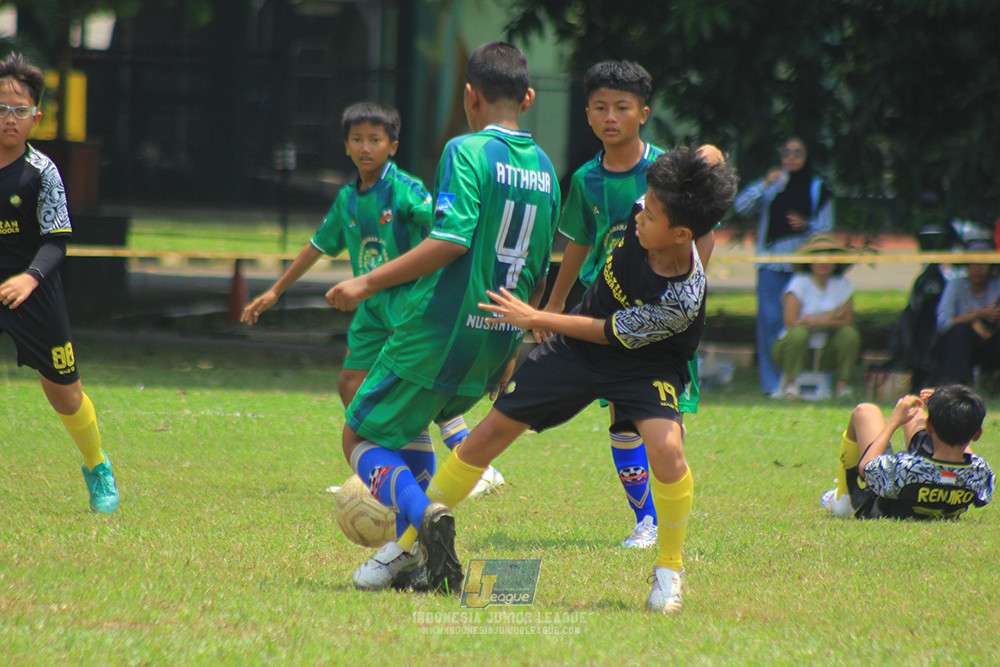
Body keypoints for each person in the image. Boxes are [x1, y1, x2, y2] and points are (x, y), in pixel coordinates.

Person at [416, 145, 738, 614]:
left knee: (667, 448)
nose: (639, 216)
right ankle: (409, 542)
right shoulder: (647, 211)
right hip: (579, 350)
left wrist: (537, 316)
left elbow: (607, 333)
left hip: (646, 362)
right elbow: (703, 159)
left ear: (681, 234)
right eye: (644, 206)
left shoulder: (683, 296)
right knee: (490, 432)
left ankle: (669, 568)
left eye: (651, 215)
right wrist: (704, 160)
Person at [325, 42, 561, 593]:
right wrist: (520, 337)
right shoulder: (546, 168)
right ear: (526, 98)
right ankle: (407, 557)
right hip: (498, 336)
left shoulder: (466, 149)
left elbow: (451, 240)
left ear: (469, 95)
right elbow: (541, 262)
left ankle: (425, 514)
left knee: (358, 436)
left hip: (441, 328)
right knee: (410, 430)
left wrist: (365, 280)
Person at [240, 101, 501, 507]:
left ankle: (476, 467)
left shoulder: (405, 189)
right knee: (350, 383)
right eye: (357, 139)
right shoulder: (347, 199)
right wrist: (276, 290)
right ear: (345, 146)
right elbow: (316, 246)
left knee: (417, 385)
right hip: (370, 306)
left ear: (392, 146)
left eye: (375, 140)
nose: (366, 148)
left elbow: (443, 225)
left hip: (408, 299)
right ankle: (385, 466)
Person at [540, 60, 716, 550]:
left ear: (643, 112)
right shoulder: (585, 180)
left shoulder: (666, 173)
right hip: (608, 310)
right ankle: (647, 519)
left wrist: (687, 291)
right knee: (620, 411)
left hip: (662, 313)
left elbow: (703, 234)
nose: (610, 116)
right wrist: (557, 306)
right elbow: (579, 243)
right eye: (599, 107)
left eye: (621, 107)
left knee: (662, 421)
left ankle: (670, 508)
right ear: (588, 115)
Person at [0, 53, 119, 513]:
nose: (9, 120)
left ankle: (97, 466)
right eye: (1, 109)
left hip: (34, 285)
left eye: (19, 111)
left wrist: (28, 279)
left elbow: (56, 242)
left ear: (36, 117)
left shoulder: (42, 172)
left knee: (65, 394)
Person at [734, 137, 834, 395]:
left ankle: (796, 380)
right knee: (769, 324)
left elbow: (827, 230)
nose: (791, 157)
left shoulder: (817, 188)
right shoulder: (773, 183)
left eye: (798, 152)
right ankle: (772, 384)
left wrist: (806, 225)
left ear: (807, 156)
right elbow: (740, 207)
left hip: (802, 269)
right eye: (786, 152)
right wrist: (764, 184)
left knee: (798, 325)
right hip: (770, 264)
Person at [821, 385, 993, 520]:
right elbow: (970, 457)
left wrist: (894, 422)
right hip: (934, 487)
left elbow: (866, 467)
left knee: (865, 411)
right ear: (977, 434)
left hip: (879, 506)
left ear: (929, 427)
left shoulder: (906, 467)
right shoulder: (981, 472)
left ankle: (844, 498)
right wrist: (943, 406)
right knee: (917, 411)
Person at [771, 234, 860, 399]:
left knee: (849, 334)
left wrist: (820, 322)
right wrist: (832, 318)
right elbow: (791, 321)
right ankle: (790, 385)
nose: (823, 262)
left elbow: (847, 320)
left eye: (828, 257)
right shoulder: (799, 282)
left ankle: (842, 386)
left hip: (826, 350)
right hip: (794, 350)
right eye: (818, 257)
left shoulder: (842, 284)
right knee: (798, 333)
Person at [929, 239, 1000, 386]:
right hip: (964, 343)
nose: (978, 269)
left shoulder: (997, 285)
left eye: (983, 264)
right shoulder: (956, 285)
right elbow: (944, 323)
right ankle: (957, 386)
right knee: (959, 333)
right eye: (973, 264)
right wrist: (977, 315)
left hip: (993, 340)